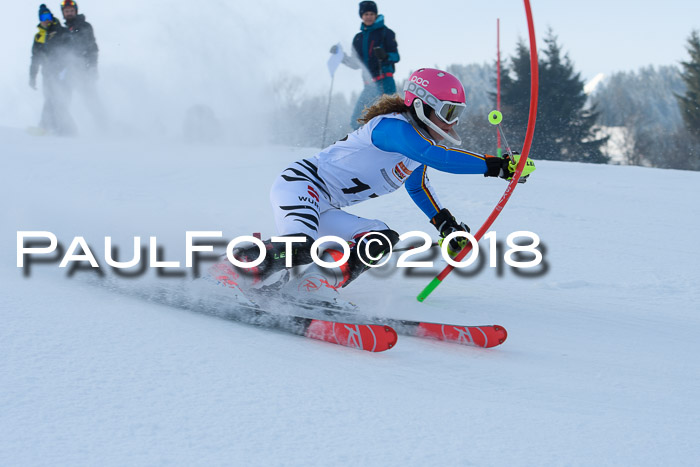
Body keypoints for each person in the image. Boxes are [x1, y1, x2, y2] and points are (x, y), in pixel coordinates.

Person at [211, 68, 536, 306]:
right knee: (300, 246)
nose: (452, 123)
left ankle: (306, 289)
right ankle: (230, 270)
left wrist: (447, 227)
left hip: (324, 205)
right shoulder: (392, 129)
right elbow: (436, 157)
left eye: (457, 114)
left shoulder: (415, 147)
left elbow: (418, 188)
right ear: (423, 106)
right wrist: (497, 167)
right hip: (301, 186)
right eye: (447, 113)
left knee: (379, 239)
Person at [331, 1, 400, 129]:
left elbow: (396, 56)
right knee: (357, 120)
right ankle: (367, 145)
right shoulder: (358, 38)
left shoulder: (386, 33)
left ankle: (392, 146)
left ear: (375, 15)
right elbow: (355, 63)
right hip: (369, 85)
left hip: (385, 81)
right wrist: (340, 56)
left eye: (371, 14)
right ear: (361, 16)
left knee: (390, 118)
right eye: (366, 14)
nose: (368, 16)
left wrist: (385, 56)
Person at [29, 4, 75, 135]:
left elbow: (70, 50)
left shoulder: (61, 31)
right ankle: (49, 127)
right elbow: (35, 58)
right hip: (48, 75)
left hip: (63, 73)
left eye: (48, 16)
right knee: (50, 99)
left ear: (52, 16)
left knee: (58, 101)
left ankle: (63, 129)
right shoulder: (39, 37)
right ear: (40, 19)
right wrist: (32, 77)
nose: (46, 19)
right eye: (43, 17)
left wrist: (65, 69)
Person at [60, 0, 106, 129]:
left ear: (76, 11)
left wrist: (92, 67)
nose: (69, 13)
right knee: (62, 98)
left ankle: (103, 125)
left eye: (71, 11)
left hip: (83, 69)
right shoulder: (63, 30)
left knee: (90, 99)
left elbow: (92, 48)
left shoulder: (85, 26)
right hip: (68, 71)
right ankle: (63, 127)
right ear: (63, 13)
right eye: (66, 11)